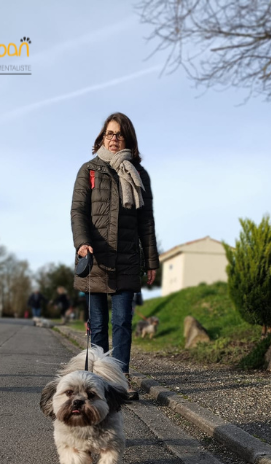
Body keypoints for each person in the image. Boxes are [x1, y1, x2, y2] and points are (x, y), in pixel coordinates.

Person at [71, 112, 159, 399]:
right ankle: (97, 382)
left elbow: (146, 222)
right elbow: (78, 212)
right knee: (97, 326)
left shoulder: (138, 174)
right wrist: (82, 243)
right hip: (95, 258)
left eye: (119, 134)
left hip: (127, 260)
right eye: (109, 133)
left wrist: (151, 261)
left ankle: (120, 381)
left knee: (122, 323)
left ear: (128, 140)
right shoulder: (89, 170)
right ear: (102, 137)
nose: (113, 138)